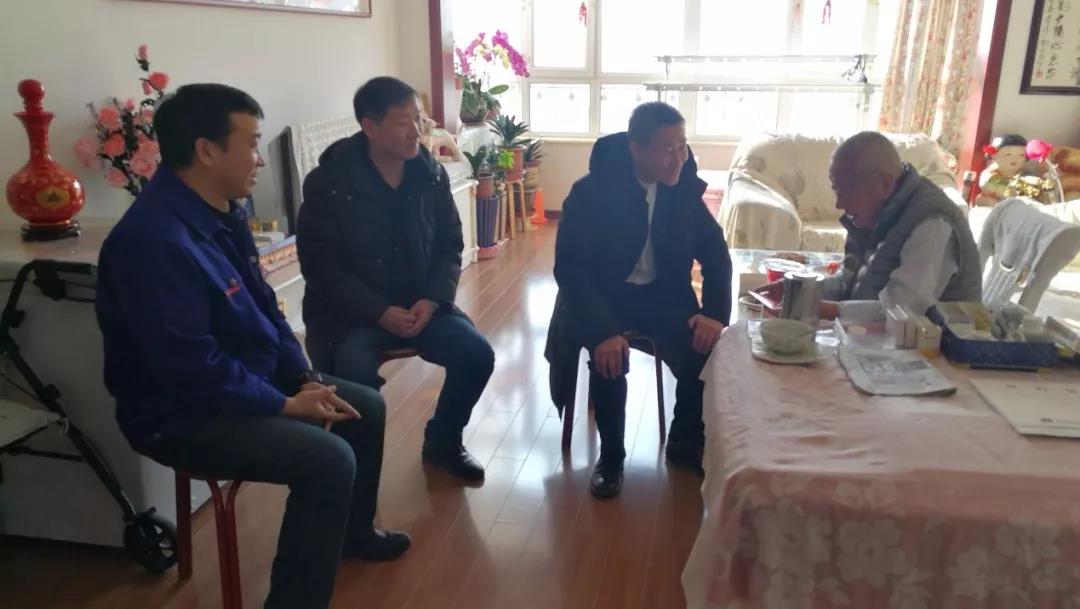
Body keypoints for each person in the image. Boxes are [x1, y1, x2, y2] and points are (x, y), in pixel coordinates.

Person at [96, 84, 409, 609]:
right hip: (181, 414)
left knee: (365, 406)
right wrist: (285, 404)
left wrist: (302, 377)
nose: (260, 159)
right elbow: (190, 368)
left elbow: (266, 309)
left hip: (246, 380)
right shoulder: (152, 243)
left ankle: (352, 535)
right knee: (328, 460)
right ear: (206, 150)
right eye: (252, 144)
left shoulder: (223, 211)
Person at [297, 77, 494, 483]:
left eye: (418, 119)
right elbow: (321, 268)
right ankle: (353, 477)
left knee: (476, 354)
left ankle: (443, 442)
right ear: (369, 127)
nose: (416, 131)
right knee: (354, 381)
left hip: (421, 306)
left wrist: (433, 299)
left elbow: (449, 244)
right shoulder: (329, 184)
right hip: (351, 317)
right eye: (404, 122)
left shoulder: (430, 174)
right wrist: (379, 311)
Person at [545, 102, 732, 499]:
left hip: (662, 294)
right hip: (601, 295)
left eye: (682, 146)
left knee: (705, 346)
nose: (678, 158)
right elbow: (571, 270)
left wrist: (714, 314)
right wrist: (603, 330)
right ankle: (611, 457)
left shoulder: (682, 190)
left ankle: (684, 441)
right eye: (667, 149)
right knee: (609, 358)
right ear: (636, 148)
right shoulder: (591, 193)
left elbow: (716, 254)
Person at [755, 131, 982, 321]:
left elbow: (900, 312)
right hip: (883, 344)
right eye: (836, 189)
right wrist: (798, 289)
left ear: (885, 183)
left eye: (848, 191)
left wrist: (814, 308)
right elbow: (851, 284)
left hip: (939, 353)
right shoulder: (879, 211)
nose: (839, 203)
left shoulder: (932, 221)